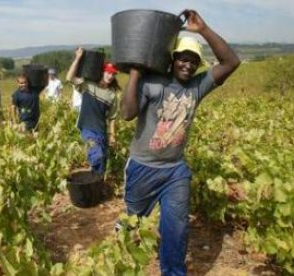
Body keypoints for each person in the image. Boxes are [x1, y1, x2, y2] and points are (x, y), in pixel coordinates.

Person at [121, 10, 240, 276]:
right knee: (132, 223)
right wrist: (135, 75)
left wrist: (204, 30)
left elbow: (231, 62)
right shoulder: (154, 83)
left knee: (176, 227)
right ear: (172, 60)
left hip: (175, 170)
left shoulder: (197, 87)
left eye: (193, 62)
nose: (187, 65)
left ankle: (173, 272)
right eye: (183, 59)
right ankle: (122, 258)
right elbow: (127, 114)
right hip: (142, 168)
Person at [66, 48, 120, 176]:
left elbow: (112, 118)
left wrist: (112, 135)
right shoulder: (88, 85)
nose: (111, 76)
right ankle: (90, 182)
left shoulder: (112, 95)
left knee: (102, 166)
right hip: (87, 129)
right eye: (108, 73)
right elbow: (69, 78)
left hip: (101, 132)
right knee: (97, 156)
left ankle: (95, 189)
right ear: (102, 72)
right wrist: (78, 58)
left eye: (113, 74)